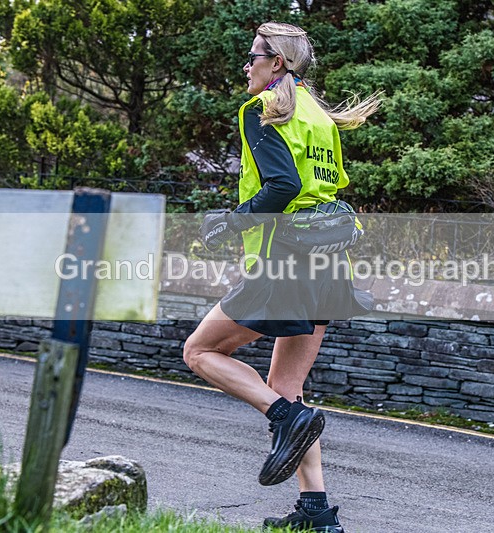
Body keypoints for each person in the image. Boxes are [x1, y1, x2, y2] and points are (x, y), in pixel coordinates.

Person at [183, 21, 379, 533]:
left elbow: (282, 186)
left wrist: (230, 220)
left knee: (199, 352)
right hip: (329, 264)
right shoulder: (319, 116)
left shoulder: (262, 110)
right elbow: (324, 187)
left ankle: (284, 419)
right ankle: (317, 516)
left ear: (277, 63)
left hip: (282, 262)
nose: (245, 66)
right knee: (287, 390)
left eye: (253, 56)